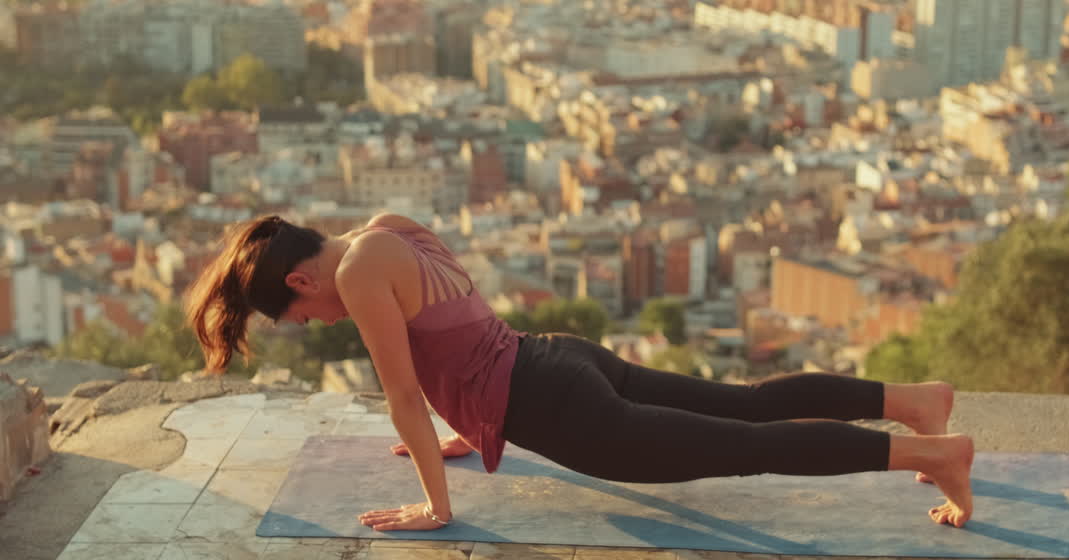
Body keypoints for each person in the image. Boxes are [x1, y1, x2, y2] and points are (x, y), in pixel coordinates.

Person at [186, 213, 975, 532]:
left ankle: (933, 454)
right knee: (747, 405)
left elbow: (402, 392)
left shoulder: (358, 276)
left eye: (300, 317)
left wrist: (434, 505)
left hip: (558, 409)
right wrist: (470, 426)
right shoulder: (386, 230)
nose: (317, 323)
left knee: (745, 447)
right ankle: (915, 401)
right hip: (558, 358)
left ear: (301, 281)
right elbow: (456, 334)